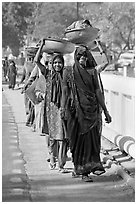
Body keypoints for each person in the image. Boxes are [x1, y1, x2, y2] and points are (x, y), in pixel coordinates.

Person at [61, 45, 112, 182]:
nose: (82, 59)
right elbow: (65, 92)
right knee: (77, 142)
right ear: (76, 57)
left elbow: (98, 92)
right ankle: (80, 169)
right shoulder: (68, 72)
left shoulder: (92, 72)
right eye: (80, 56)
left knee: (91, 141)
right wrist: (63, 108)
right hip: (75, 113)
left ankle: (85, 170)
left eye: (85, 56)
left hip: (92, 112)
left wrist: (105, 111)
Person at [34, 39, 68, 172]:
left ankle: (61, 164)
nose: (57, 65)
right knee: (52, 137)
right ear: (52, 64)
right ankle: (52, 160)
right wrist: (42, 46)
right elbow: (37, 61)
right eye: (55, 62)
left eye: (60, 62)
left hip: (62, 108)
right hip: (50, 109)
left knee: (63, 137)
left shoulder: (66, 75)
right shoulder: (48, 74)